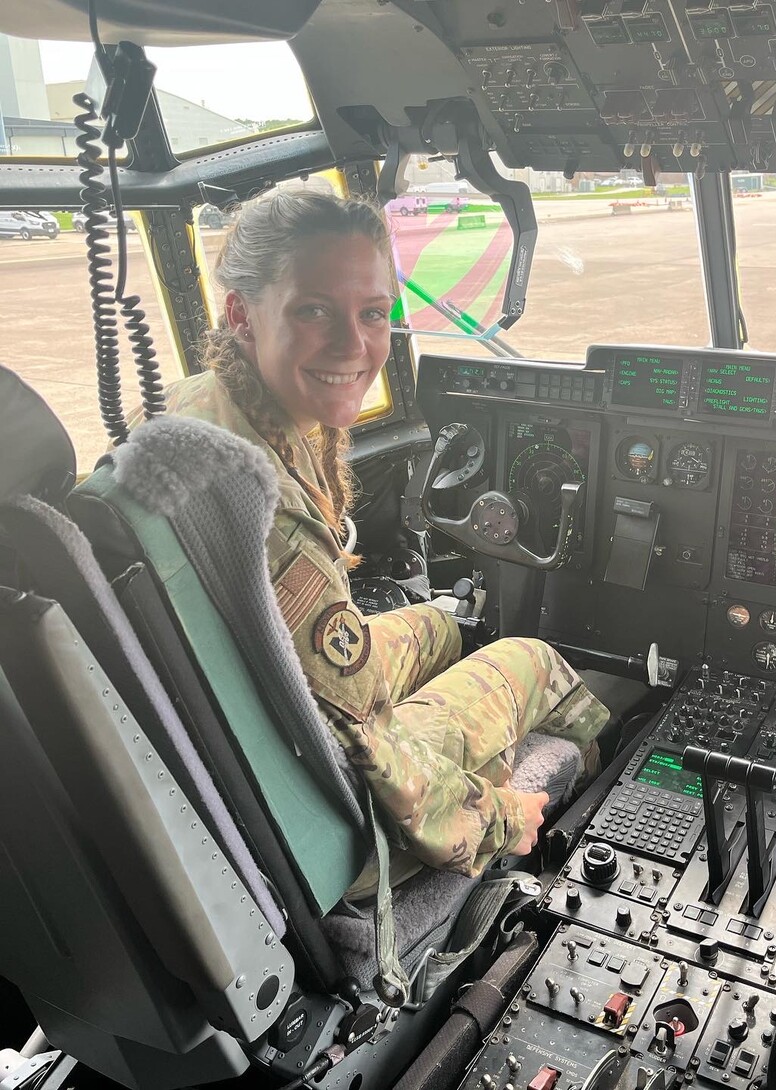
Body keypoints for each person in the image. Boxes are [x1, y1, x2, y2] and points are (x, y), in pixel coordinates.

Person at [159, 189, 608, 898]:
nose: (354, 345)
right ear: (241, 312)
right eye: (314, 310)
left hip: (258, 727)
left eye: (372, 314)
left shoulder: (200, 406)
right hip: (333, 817)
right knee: (532, 658)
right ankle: (579, 827)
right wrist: (500, 816)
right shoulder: (267, 514)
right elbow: (363, 741)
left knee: (439, 623)